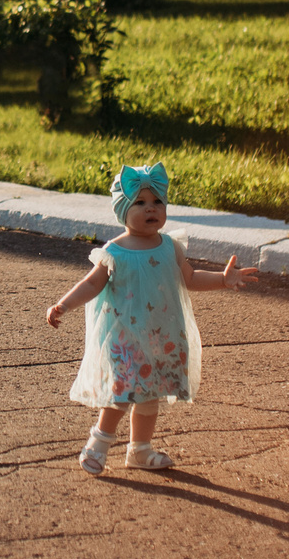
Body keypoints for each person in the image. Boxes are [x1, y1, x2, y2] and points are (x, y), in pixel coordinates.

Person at [45, 163, 258, 473]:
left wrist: (223, 280)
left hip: (162, 337)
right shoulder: (115, 251)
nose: (151, 209)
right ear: (123, 210)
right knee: (123, 393)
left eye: (157, 202)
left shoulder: (170, 246)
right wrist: (63, 305)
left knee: (150, 396)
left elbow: (191, 277)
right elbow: (92, 283)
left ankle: (140, 450)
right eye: (140, 203)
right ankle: (98, 443)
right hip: (126, 339)